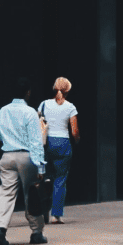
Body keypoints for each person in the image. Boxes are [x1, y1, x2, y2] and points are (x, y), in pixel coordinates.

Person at [0, 77, 47, 245]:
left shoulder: (3, 111)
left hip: (7, 156)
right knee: (32, 194)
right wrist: (41, 167)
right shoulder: (30, 112)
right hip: (26, 157)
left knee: (6, 193)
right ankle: (36, 232)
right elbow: (36, 141)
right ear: (27, 93)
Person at [37, 77, 78, 225]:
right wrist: (77, 140)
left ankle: (42, 210)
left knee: (45, 177)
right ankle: (56, 215)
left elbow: (38, 124)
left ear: (54, 88)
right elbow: (74, 131)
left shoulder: (43, 105)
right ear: (68, 91)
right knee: (60, 179)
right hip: (63, 143)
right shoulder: (70, 107)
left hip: (46, 143)